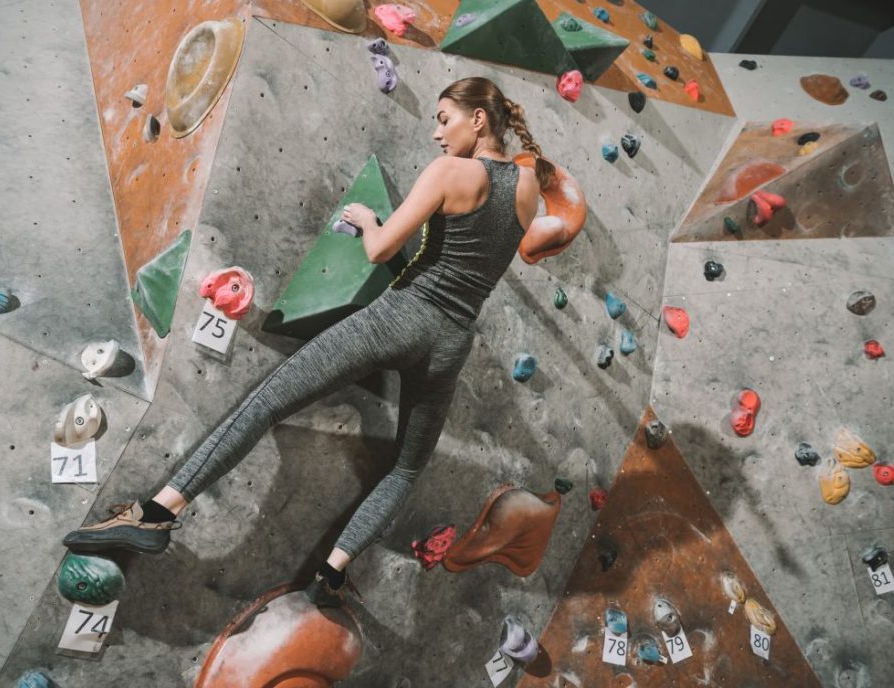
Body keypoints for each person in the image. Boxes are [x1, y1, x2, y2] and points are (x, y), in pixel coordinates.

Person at [62, 76, 556, 607]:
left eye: (444, 119)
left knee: (268, 402)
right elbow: (472, 255)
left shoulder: (449, 171)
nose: (437, 134)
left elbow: (381, 249)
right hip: (452, 342)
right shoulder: (527, 190)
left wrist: (369, 219)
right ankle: (333, 574)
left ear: (477, 119)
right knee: (408, 466)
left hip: (402, 317)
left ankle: (157, 514)